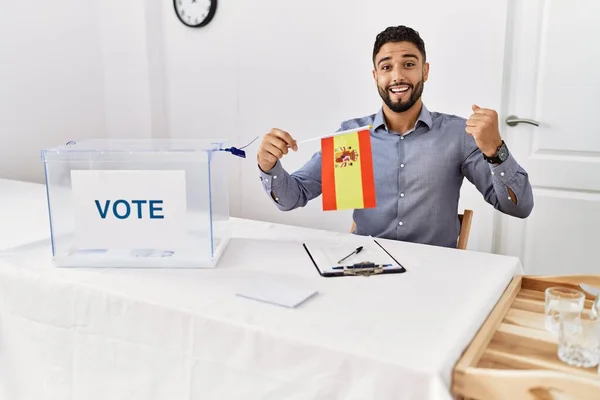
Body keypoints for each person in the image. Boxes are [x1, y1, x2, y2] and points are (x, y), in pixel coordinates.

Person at [256, 25, 533, 248]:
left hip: (435, 275)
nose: (398, 76)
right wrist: (269, 166)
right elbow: (293, 197)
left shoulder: (459, 135)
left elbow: (518, 208)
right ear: (376, 76)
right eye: (387, 67)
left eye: (409, 64)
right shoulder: (350, 137)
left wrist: (496, 150)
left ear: (425, 70)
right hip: (364, 268)